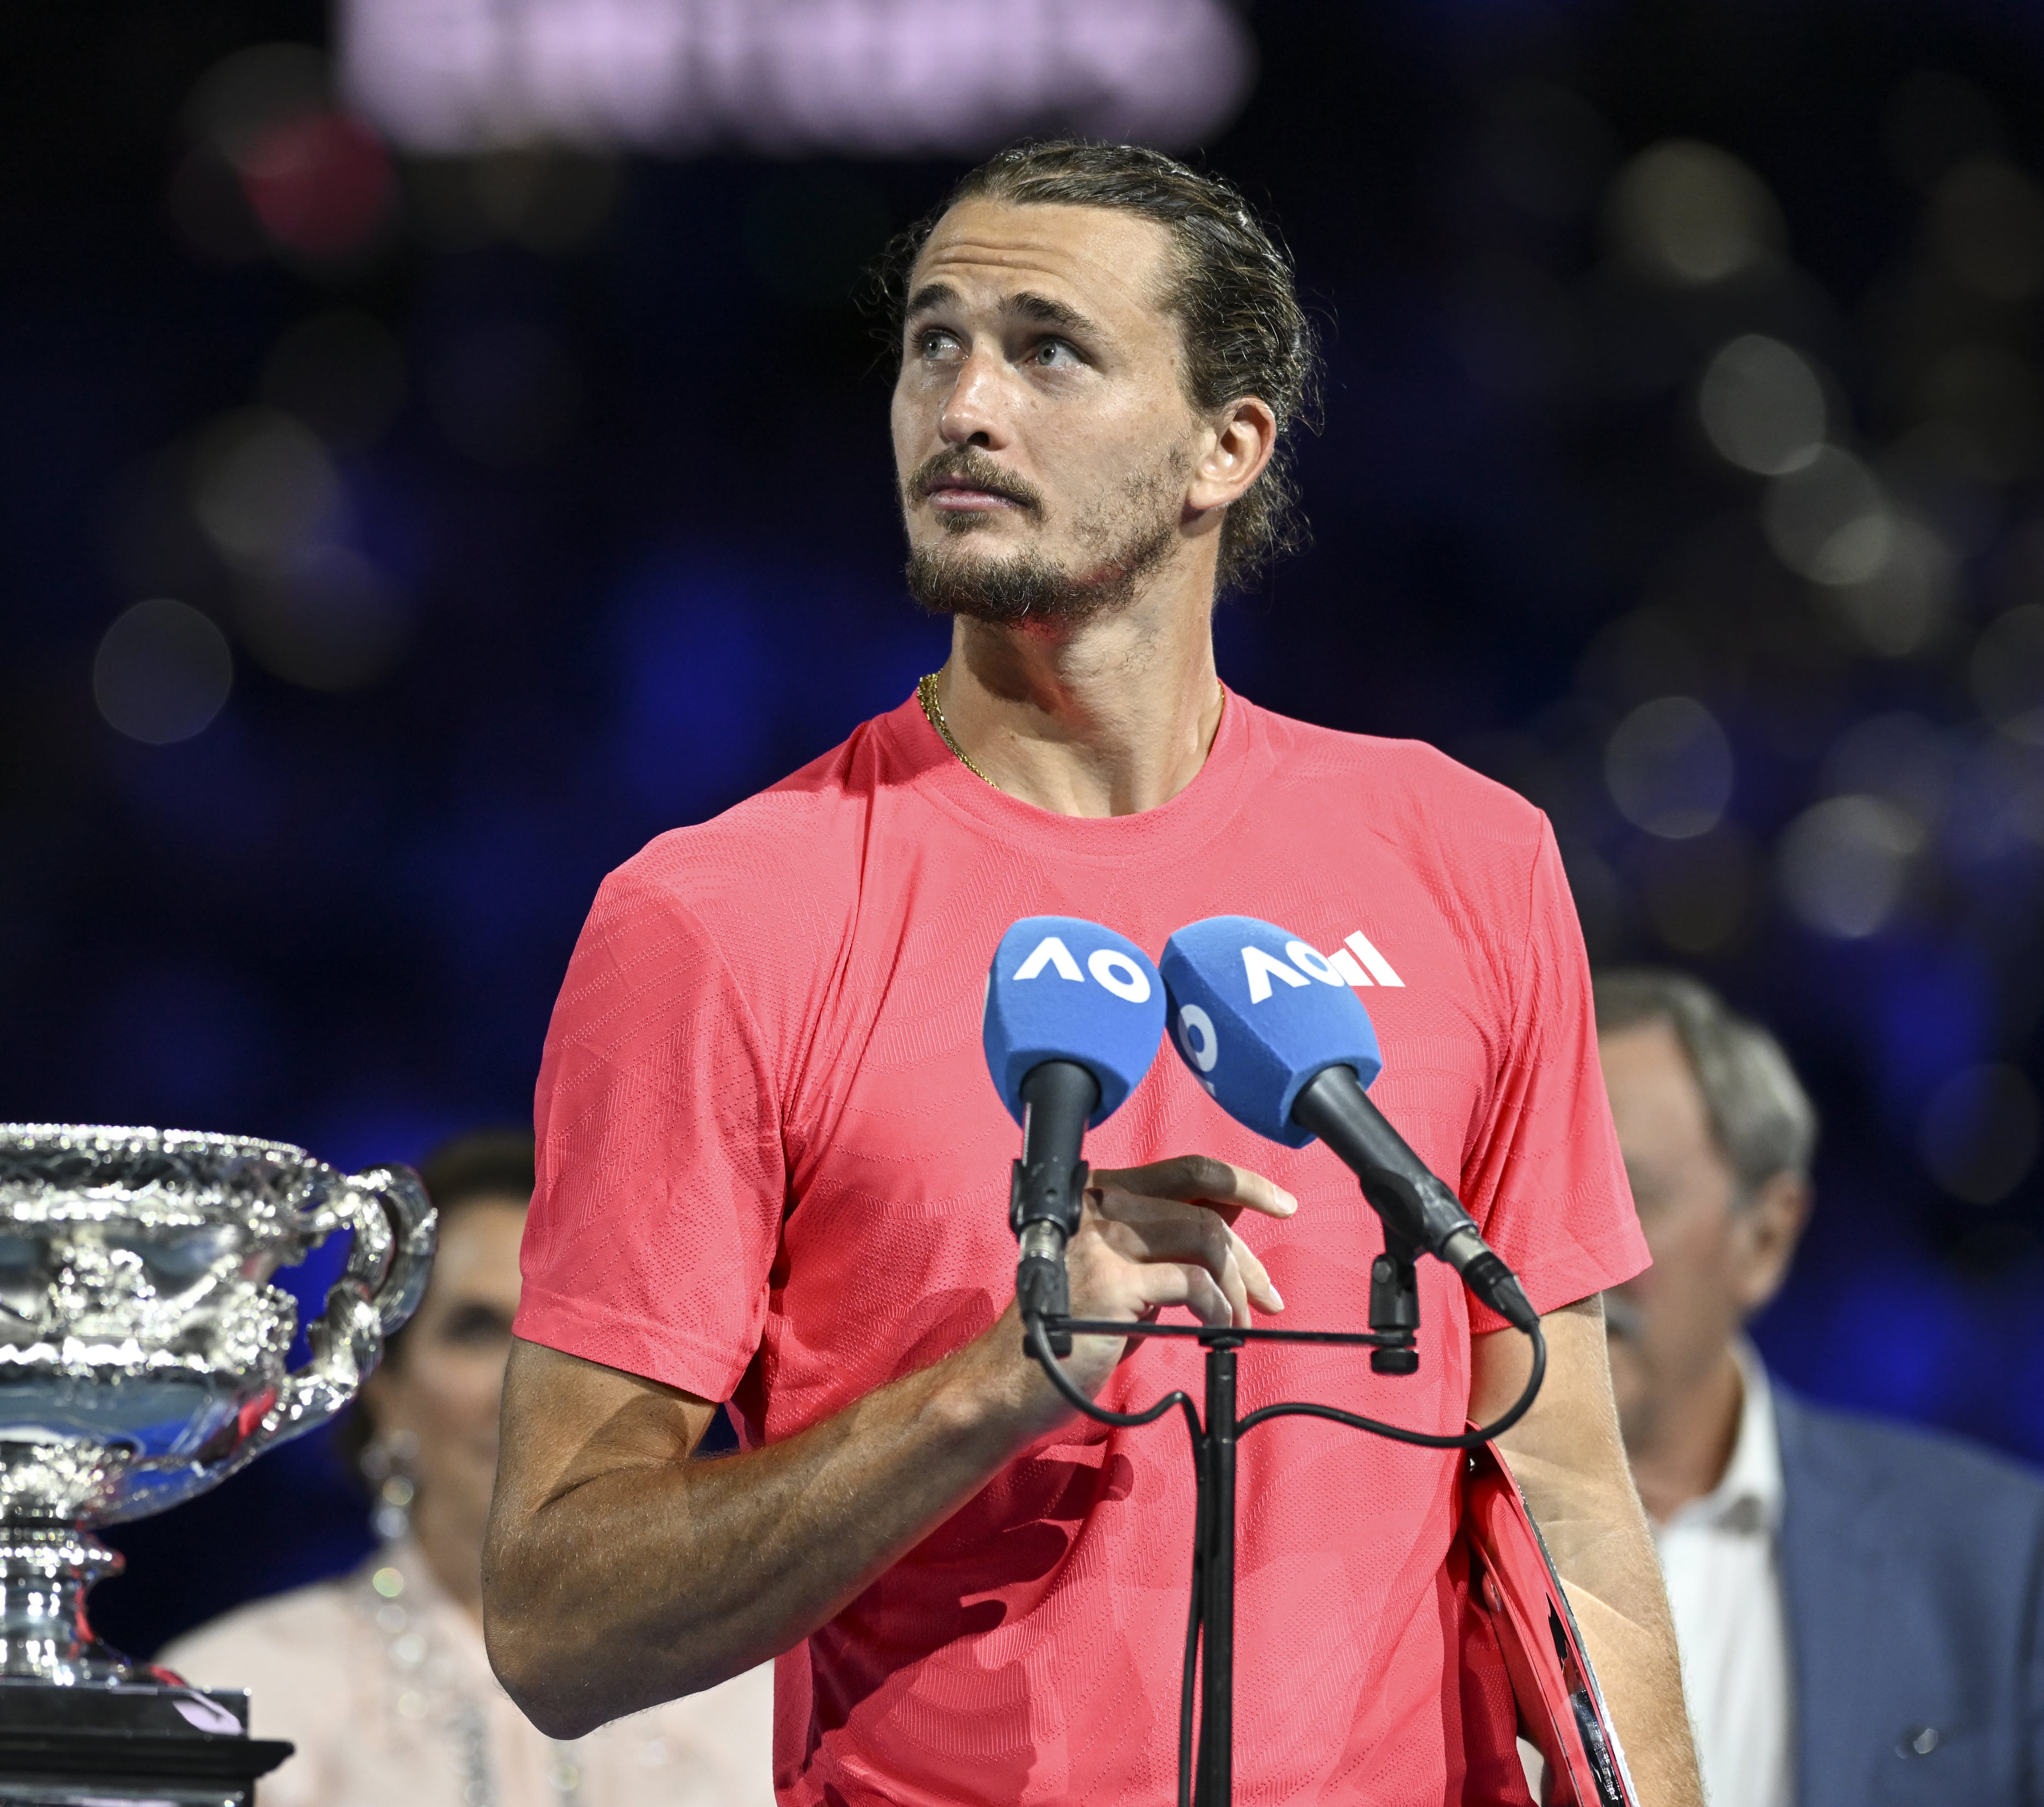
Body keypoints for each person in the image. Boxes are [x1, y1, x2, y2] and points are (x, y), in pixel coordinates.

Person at [483, 139, 1703, 1807]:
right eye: (931, 341)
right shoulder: (718, 915)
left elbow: (1561, 1482)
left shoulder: (1465, 856)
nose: (962, 405)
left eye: (1046, 348)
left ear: (1225, 446)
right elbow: (558, 1623)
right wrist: (998, 1381)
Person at [161, 1130, 774, 1807]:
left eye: (578, 1335)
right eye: (477, 1331)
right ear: (383, 1391)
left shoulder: (778, 1707)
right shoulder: (236, 1697)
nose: (527, 1386)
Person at [1596, 968, 2044, 1807]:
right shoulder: (1380, 1552)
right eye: (1515, 1199)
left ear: (1764, 1237)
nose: (1558, 1259)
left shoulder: (2001, 1562)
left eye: (1623, 1198)